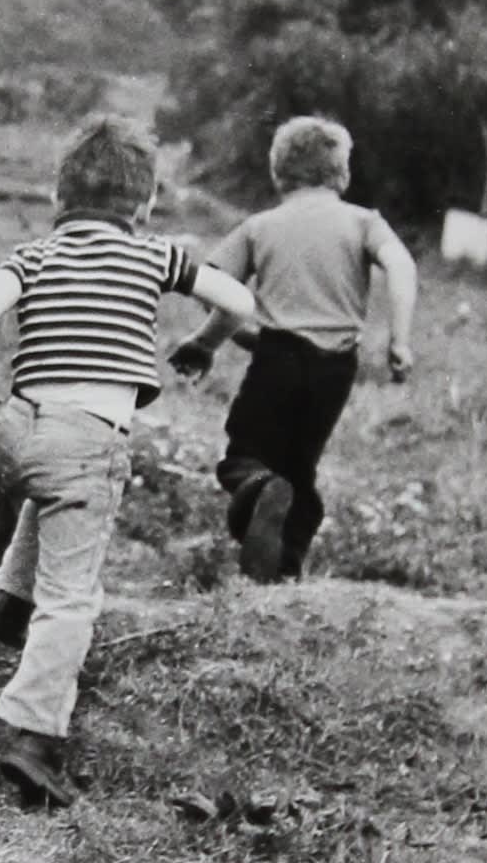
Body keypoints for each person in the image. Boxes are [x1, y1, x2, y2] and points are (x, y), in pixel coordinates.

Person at [0, 115, 256, 807]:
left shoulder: (31, 256)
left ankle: (7, 600)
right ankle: (33, 736)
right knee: (73, 598)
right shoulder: (156, 256)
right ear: (144, 206)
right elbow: (240, 301)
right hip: (87, 439)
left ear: (59, 197)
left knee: (46, 492)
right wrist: (207, 342)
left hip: (16, 428)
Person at [170, 115, 417, 581]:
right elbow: (401, 266)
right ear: (342, 174)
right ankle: (281, 573)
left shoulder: (260, 226)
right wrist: (399, 340)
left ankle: (259, 488)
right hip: (336, 370)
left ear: (277, 172)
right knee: (300, 471)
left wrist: (211, 340)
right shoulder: (365, 222)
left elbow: (212, 286)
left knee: (245, 459)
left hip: (277, 356)